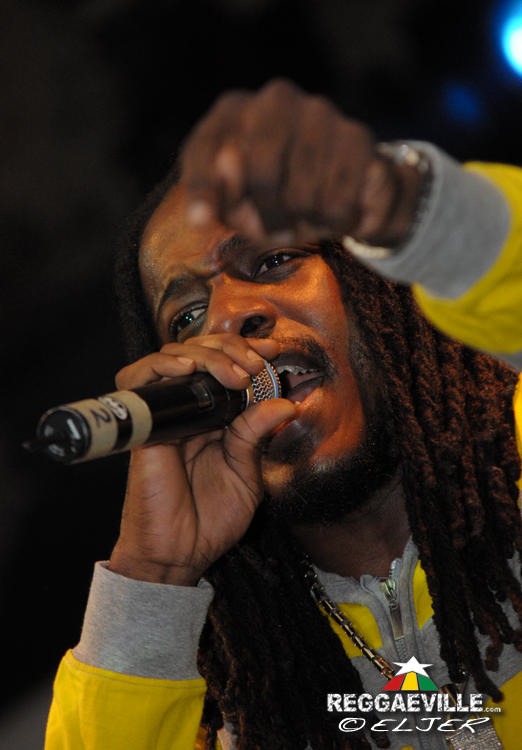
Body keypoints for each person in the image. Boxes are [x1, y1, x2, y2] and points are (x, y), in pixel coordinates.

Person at [45, 80, 522, 750]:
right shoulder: (234, 701)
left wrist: (419, 214)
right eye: (187, 316)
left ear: (375, 285)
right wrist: (155, 579)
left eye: (272, 260)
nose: (226, 318)